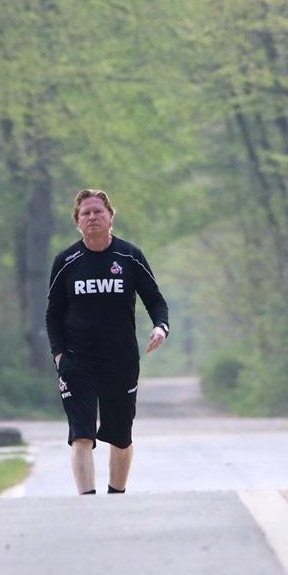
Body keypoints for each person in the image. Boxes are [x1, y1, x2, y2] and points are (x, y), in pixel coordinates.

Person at [45, 189, 169, 495]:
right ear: (78, 222)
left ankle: (116, 497)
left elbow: (155, 300)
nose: (92, 217)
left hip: (121, 360)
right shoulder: (66, 261)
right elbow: (53, 315)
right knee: (81, 435)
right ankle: (87, 502)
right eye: (85, 213)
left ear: (110, 216)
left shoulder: (129, 256)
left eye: (98, 212)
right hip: (78, 361)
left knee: (120, 437)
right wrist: (60, 356)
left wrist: (161, 327)